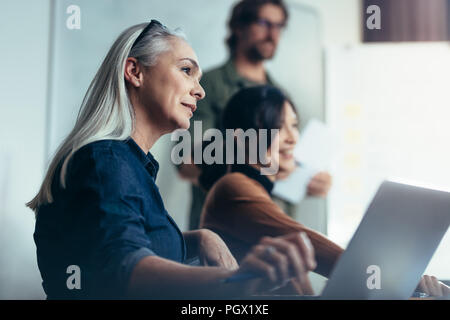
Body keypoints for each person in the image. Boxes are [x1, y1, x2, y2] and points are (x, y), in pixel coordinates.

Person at [26, 21, 317, 299]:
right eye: (186, 70)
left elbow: (130, 246)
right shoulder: (107, 162)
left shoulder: (128, 166)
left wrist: (196, 239)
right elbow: (126, 269)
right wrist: (239, 283)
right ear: (135, 72)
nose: (199, 91)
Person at [199, 85, 450, 297]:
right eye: (278, 126)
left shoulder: (252, 189)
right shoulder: (233, 187)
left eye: (294, 125)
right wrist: (397, 280)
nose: (292, 138)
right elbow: (307, 242)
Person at [177, 0, 332, 230]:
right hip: (224, 233)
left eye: (279, 26)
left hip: (276, 228)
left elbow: (284, 158)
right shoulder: (206, 85)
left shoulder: (280, 94)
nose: (273, 34)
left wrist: (307, 178)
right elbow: (185, 161)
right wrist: (260, 163)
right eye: (264, 23)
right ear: (239, 27)